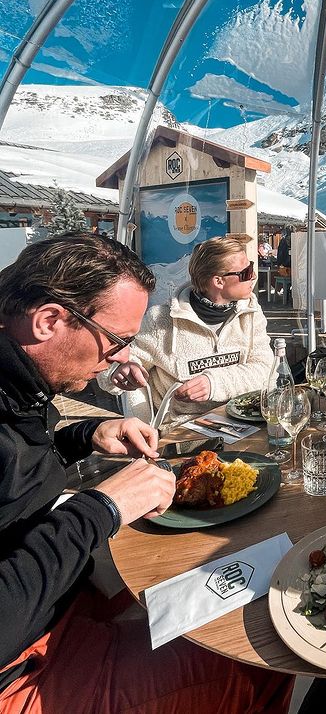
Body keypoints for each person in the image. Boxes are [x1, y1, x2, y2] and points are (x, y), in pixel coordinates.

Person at [0, 232, 292, 713]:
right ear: (48, 320)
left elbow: (15, 471)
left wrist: (83, 436)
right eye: (117, 342)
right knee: (259, 655)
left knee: (238, 593)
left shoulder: (20, 387)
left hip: (67, 597)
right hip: (24, 667)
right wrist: (102, 508)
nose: (121, 360)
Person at [100, 236, 273, 420]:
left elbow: (266, 369)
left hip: (242, 423)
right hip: (180, 433)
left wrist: (215, 383)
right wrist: (119, 372)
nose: (253, 276)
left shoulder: (251, 312)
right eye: (245, 272)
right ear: (219, 281)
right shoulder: (161, 321)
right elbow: (112, 363)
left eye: (251, 266)